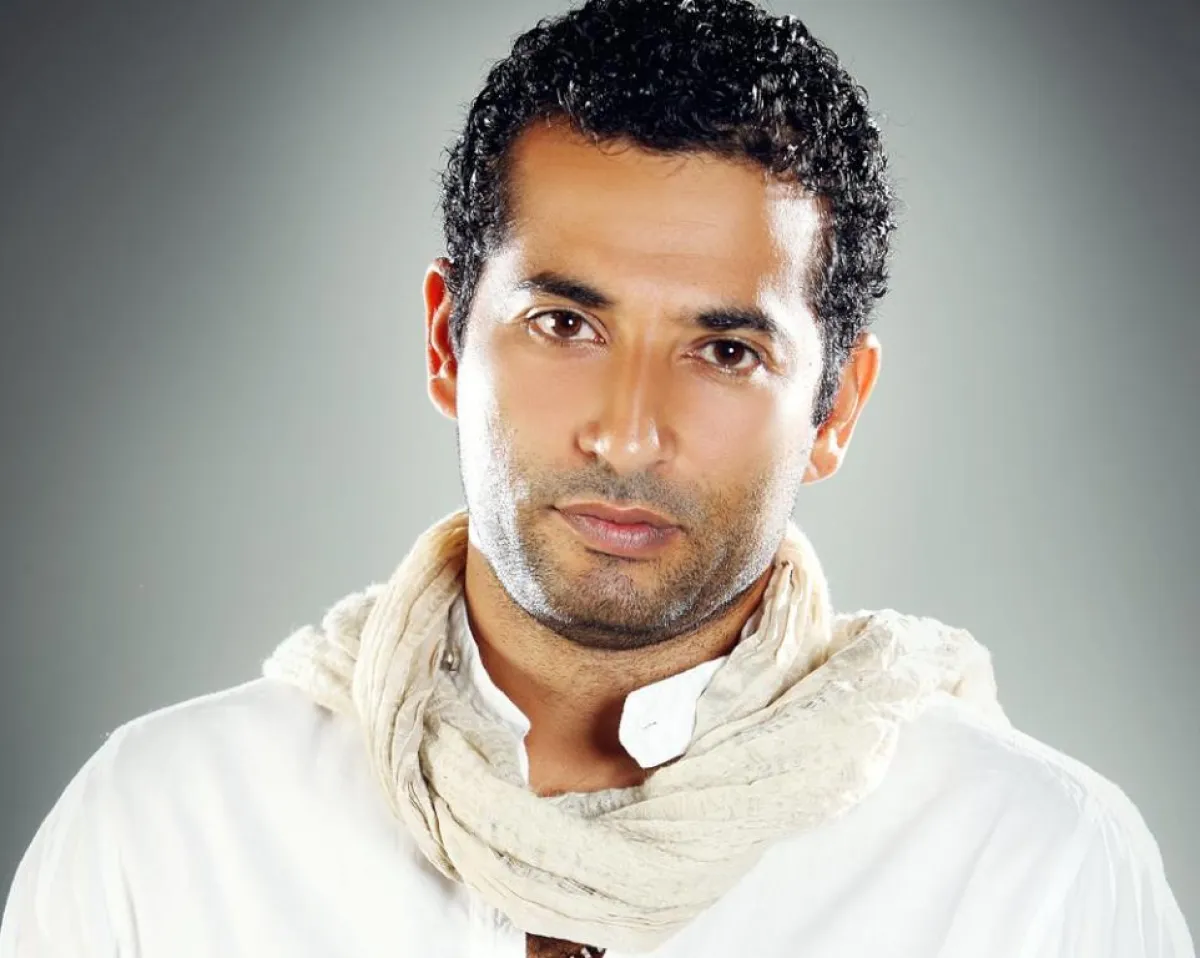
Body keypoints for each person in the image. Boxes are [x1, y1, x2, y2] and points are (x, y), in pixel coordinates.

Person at [1, 0, 1193, 955]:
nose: (629, 435)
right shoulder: (162, 835)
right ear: (444, 343)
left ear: (836, 409)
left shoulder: (1029, 873)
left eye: (725, 351)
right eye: (565, 325)